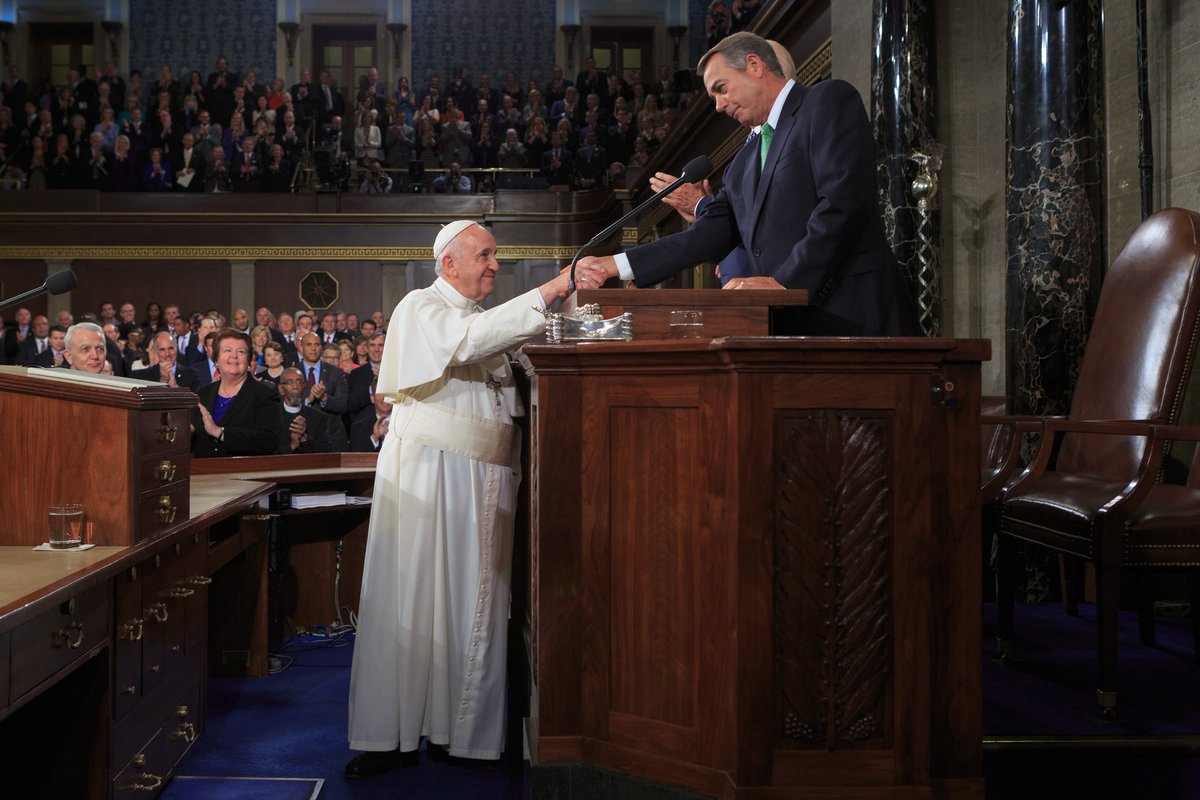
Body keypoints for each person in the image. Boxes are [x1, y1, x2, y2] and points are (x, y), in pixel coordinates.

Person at [344, 220, 606, 777]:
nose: (494, 265)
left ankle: (456, 733)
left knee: (470, 606)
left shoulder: (479, 317)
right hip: (431, 474)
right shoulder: (421, 307)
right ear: (449, 264)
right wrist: (554, 287)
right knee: (412, 600)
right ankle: (389, 736)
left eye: (494, 255)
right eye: (484, 255)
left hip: (483, 477)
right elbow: (467, 343)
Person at [577, 32, 919, 337]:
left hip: (858, 319)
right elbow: (706, 235)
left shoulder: (825, 102)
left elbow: (842, 206)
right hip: (791, 331)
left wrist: (785, 283)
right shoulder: (741, 164)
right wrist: (614, 265)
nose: (718, 105)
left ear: (754, 65)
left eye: (721, 89)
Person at [191, 328, 284, 458]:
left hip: (244, 468)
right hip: (203, 468)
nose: (234, 356)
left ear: (248, 361)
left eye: (241, 351)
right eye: (227, 350)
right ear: (216, 360)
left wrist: (221, 433)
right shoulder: (203, 393)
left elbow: (269, 440)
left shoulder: (265, 393)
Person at [276, 367, 346, 453]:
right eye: (289, 382)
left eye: (299, 381)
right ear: (281, 389)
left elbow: (327, 450)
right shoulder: (271, 416)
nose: (295, 386)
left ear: (304, 387)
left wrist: (304, 438)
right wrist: (292, 446)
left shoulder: (319, 417)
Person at [131, 330, 201, 390]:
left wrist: (175, 388)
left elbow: (196, 401)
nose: (167, 354)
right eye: (162, 349)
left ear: (176, 349)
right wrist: (163, 381)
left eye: (171, 348)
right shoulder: (140, 376)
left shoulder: (192, 375)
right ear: (156, 352)